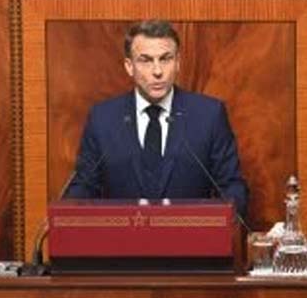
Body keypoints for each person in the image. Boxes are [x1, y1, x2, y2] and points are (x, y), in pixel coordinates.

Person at [65, 20, 249, 218]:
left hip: (190, 243)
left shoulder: (209, 115)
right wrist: (67, 215)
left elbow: (232, 188)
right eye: (145, 60)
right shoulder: (103, 118)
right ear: (129, 66)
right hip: (122, 243)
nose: (157, 71)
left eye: (165, 59)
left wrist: (216, 222)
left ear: (178, 62)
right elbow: (83, 187)